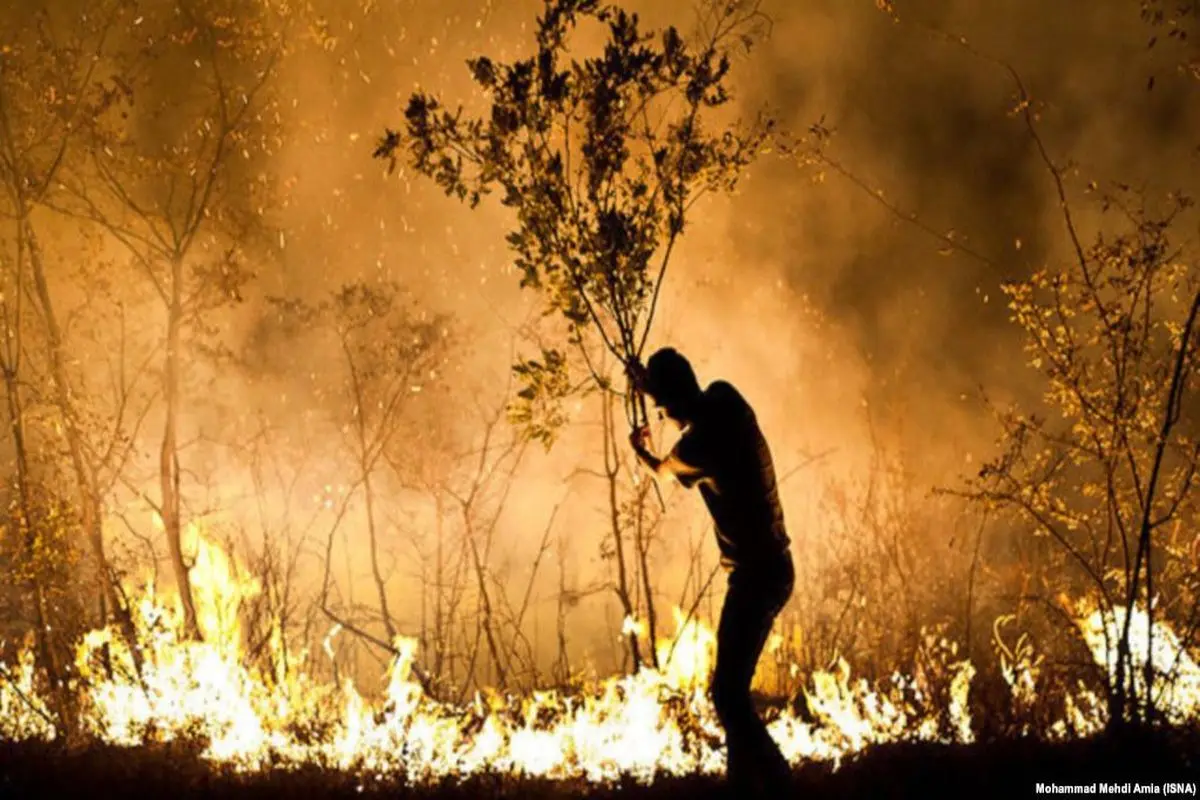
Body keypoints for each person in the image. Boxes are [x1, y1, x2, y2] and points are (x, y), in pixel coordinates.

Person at [627, 347, 794, 796]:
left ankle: (782, 783)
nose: (665, 417)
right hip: (772, 567)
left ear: (674, 401)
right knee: (732, 690)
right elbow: (687, 405)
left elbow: (664, 470)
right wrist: (650, 383)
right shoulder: (726, 398)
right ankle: (742, 786)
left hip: (757, 575)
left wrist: (640, 449)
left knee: (726, 694)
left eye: (662, 409)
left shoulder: (699, 445)